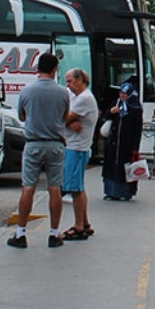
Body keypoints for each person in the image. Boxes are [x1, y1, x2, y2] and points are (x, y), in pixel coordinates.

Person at [9, 52, 70, 249]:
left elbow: (22, 115)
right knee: (54, 188)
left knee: (28, 187)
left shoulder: (27, 91)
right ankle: (53, 234)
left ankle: (21, 233)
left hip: (33, 143)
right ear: (54, 70)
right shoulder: (63, 92)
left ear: (38, 69)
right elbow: (64, 116)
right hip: (55, 144)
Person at [60, 68, 98, 240]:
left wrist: (68, 121)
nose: (67, 85)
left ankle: (78, 226)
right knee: (78, 187)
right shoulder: (77, 97)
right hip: (76, 145)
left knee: (75, 189)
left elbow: (62, 118)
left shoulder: (84, 99)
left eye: (69, 81)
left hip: (77, 147)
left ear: (80, 79)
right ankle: (85, 222)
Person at [102, 82, 145, 200]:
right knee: (112, 167)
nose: (122, 95)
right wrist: (111, 112)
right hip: (113, 142)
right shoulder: (116, 103)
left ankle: (126, 193)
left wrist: (135, 148)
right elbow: (106, 116)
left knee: (125, 168)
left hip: (127, 144)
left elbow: (138, 129)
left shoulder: (135, 108)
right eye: (121, 93)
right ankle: (111, 192)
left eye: (125, 94)